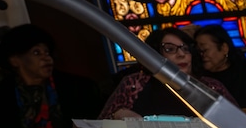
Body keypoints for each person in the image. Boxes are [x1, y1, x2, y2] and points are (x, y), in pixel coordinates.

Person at [99, 27, 236, 119]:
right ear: (155, 55)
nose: (181, 54)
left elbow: (239, 125)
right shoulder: (133, 84)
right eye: (170, 49)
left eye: (185, 48)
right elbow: (102, 124)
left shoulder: (211, 86)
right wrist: (119, 116)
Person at [194, 24, 246, 112]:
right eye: (198, 51)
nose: (201, 55)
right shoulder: (201, 79)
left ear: (224, 48)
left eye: (204, 50)